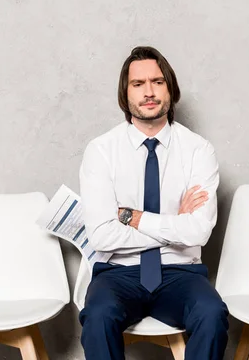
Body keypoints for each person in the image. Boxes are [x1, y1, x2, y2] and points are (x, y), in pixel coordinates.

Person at [78, 46, 229, 360]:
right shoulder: (102, 151)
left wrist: (133, 216)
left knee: (212, 314)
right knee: (98, 317)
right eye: (138, 84)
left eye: (158, 82)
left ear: (170, 89)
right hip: (118, 274)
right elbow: (103, 236)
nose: (149, 92)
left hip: (181, 273)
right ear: (126, 93)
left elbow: (199, 232)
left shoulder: (198, 150)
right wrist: (175, 220)